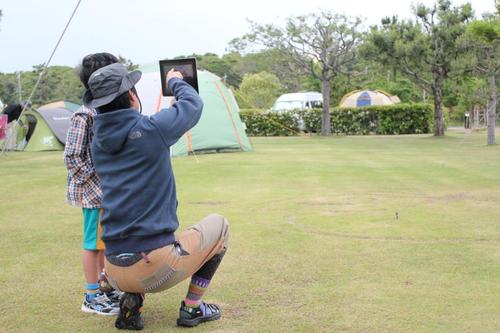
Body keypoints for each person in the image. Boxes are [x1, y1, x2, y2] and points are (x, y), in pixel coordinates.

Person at [82, 61, 229, 330]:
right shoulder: (152, 129)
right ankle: (192, 309)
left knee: (134, 230)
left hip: (113, 269)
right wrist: (175, 81)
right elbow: (192, 106)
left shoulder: (97, 143)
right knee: (220, 226)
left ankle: (131, 303)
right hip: (154, 265)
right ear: (131, 96)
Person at [64, 53, 122, 316]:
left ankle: (104, 286)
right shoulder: (84, 115)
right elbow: (73, 157)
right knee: (92, 244)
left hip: (107, 193)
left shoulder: (103, 110)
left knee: (103, 243)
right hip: (94, 195)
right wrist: (95, 182)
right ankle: (91, 296)